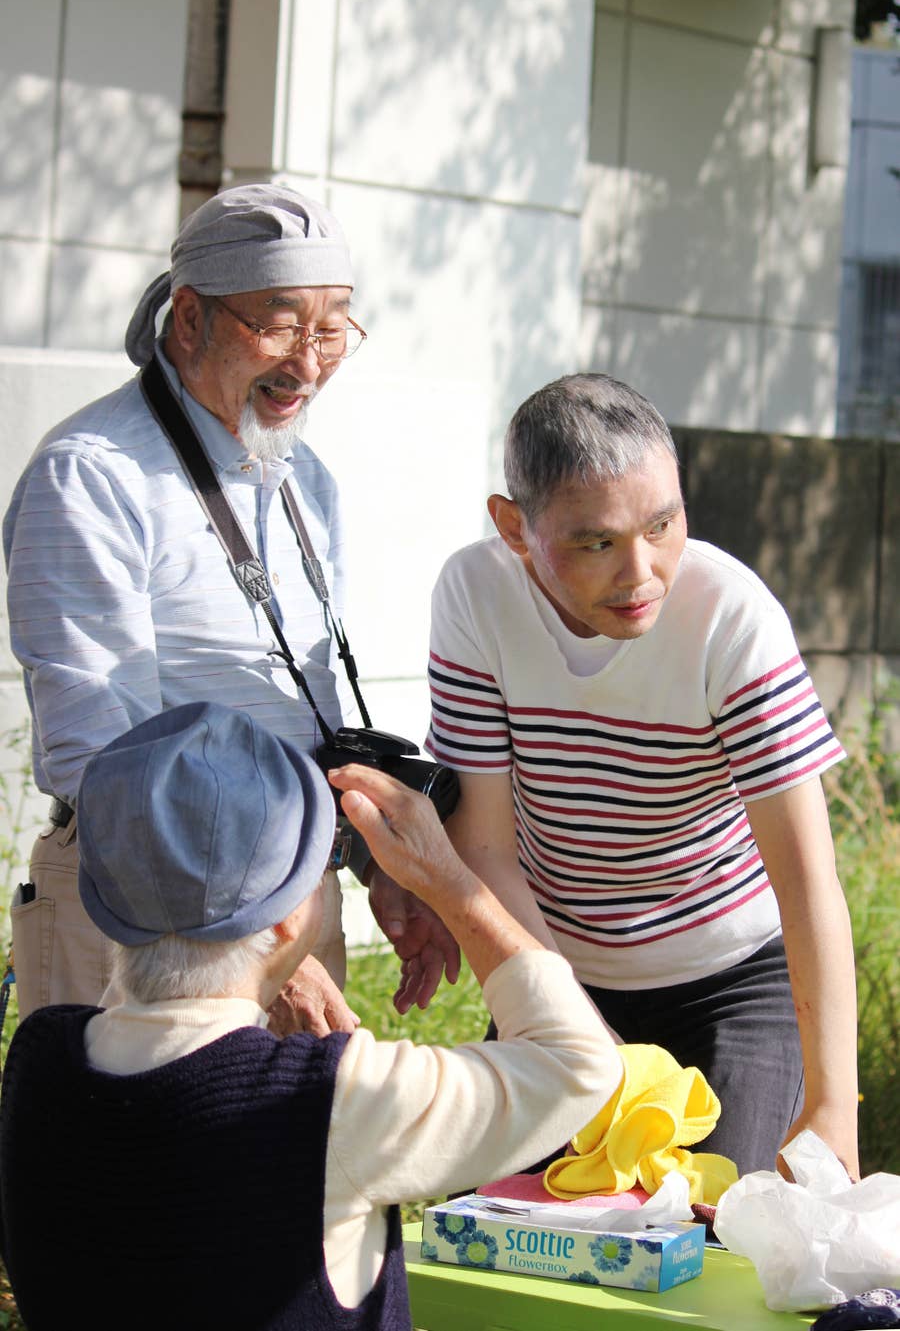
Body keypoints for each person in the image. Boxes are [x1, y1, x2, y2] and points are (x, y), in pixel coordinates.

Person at [0, 701, 623, 1331]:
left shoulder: (39, 1059)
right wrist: (445, 878)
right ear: (288, 920)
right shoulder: (328, 1102)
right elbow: (579, 1063)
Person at [3, 182, 454, 1026]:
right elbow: (98, 754)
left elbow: (302, 711)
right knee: (128, 1163)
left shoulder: (303, 479)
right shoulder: (93, 474)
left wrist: (373, 862)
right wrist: (245, 950)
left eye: (331, 329)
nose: (310, 363)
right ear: (187, 319)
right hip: (146, 926)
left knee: (283, 1163)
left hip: (283, 898)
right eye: (281, 324)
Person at [424, 372, 859, 1180]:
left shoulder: (731, 615)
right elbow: (483, 845)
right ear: (514, 527)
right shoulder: (475, 594)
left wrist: (833, 1101)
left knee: (720, 1243)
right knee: (511, 1230)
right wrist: (580, 1035)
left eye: (663, 525)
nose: (642, 573)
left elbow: (806, 878)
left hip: (734, 976)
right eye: (596, 542)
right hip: (558, 962)